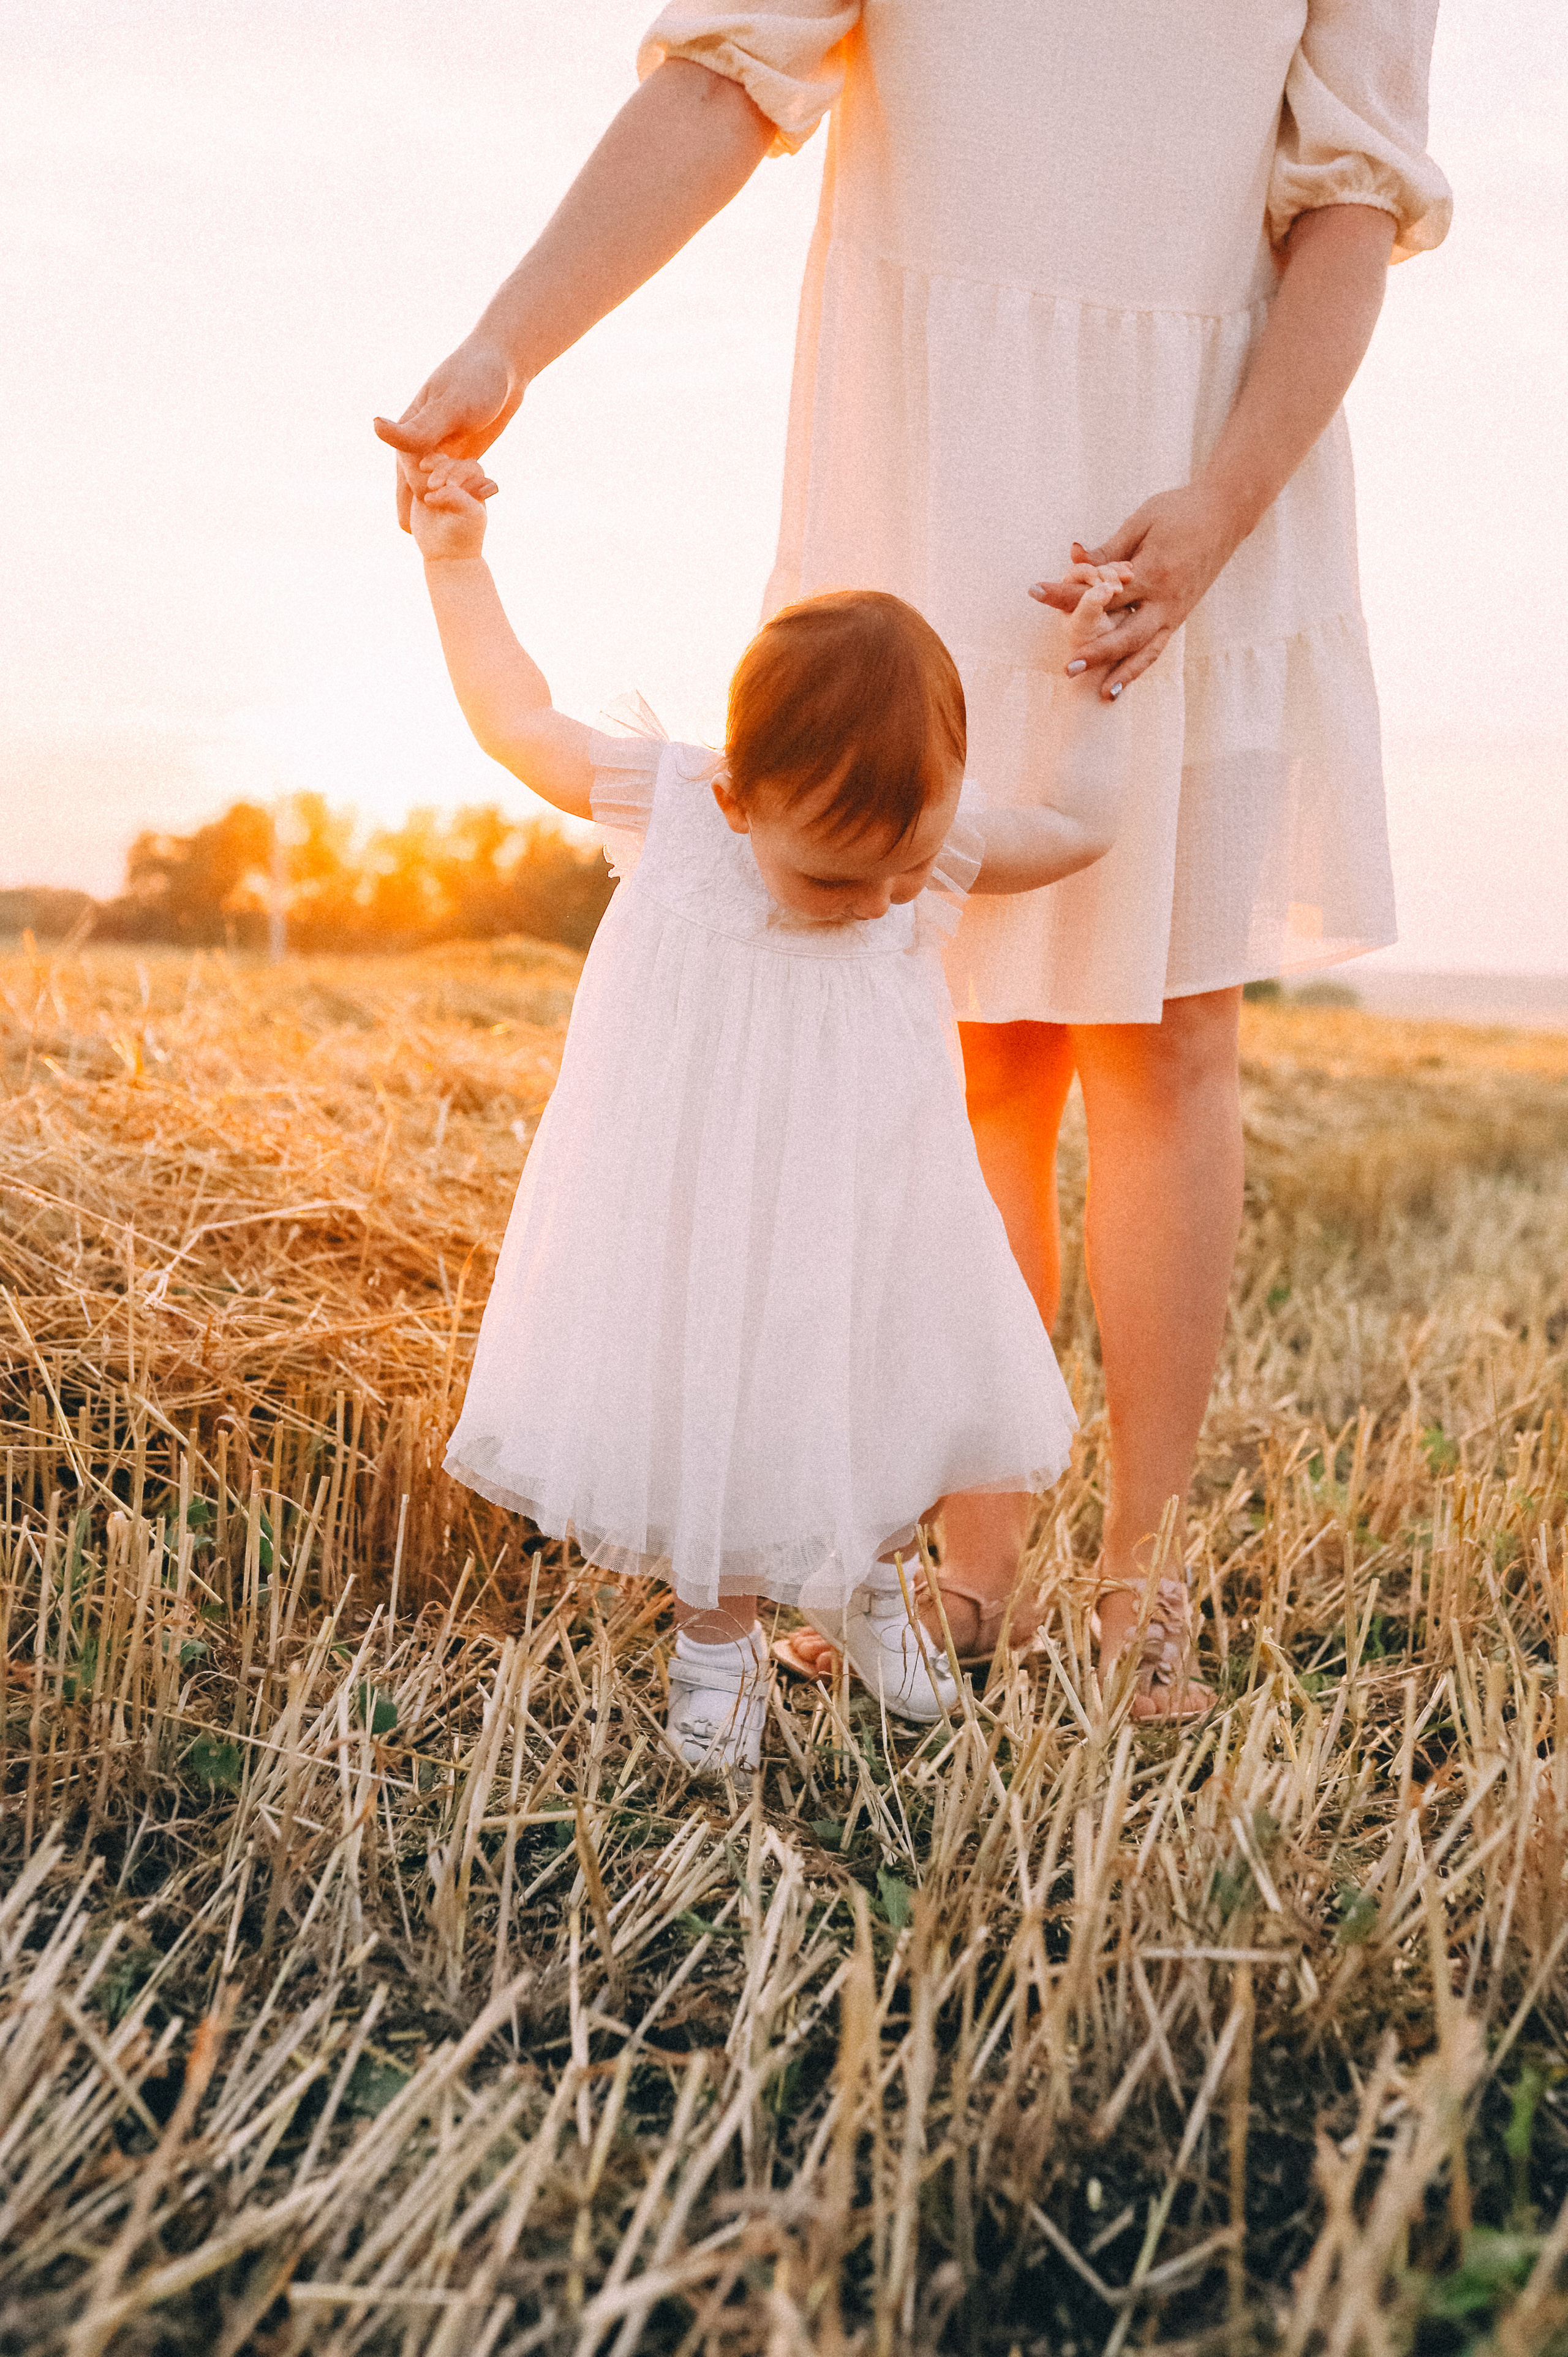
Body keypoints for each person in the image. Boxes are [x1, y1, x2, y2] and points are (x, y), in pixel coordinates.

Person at [377, 4, 1450, 1717]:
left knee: (1171, 1036)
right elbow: (732, 82)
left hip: (1203, 458)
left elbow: (1351, 207)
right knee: (974, 1052)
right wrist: (509, 347)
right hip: (928, 452)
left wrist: (1222, 507)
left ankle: (1139, 1584)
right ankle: (969, 1573)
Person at [405, 448, 1129, 1769]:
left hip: (870, 1192)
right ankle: (715, 1642)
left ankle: (866, 1587)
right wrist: (454, 560)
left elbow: (1078, 826)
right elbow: (513, 719)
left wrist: (1098, 681)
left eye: (905, 872)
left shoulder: (933, 841)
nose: (878, 904)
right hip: (700, 1197)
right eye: (833, 876)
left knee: (879, 1386)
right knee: (718, 1399)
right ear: (737, 797)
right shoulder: (674, 806)